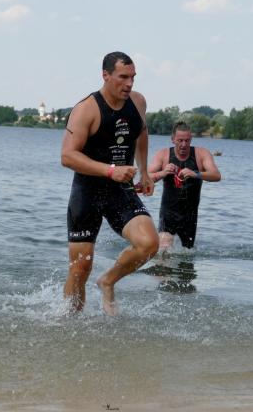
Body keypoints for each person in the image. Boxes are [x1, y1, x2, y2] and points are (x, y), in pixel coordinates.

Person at [61, 51, 159, 315]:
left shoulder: (137, 102)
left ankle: (108, 280)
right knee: (80, 268)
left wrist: (144, 171)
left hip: (120, 190)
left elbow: (141, 132)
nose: (129, 83)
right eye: (123, 77)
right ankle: (69, 323)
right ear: (105, 75)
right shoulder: (86, 109)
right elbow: (67, 156)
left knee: (149, 244)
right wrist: (109, 170)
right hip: (87, 192)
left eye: (133, 77)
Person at [148, 121, 221, 252]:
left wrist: (196, 174)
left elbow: (216, 175)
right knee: (164, 250)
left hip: (190, 215)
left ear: (191, 139)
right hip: (168, 213)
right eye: (180, 140)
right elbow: (146, 177)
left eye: (187, 141)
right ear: (172, 139)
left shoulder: (201, 154)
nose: (184, 144)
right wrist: (163, 173)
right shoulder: (163, 155)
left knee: (187, 254)